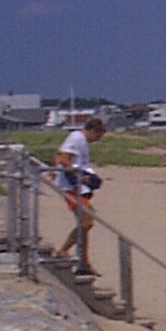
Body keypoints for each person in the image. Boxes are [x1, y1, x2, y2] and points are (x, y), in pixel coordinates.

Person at [52, 117, 106, 276]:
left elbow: (60, 156)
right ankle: (63, 251)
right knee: (87, 222)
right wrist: (79, 177)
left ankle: (84, 262)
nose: (96, 141)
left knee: (86, 221)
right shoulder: (76, 137)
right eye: (98, 137)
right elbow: (63, 157)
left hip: (77, 188)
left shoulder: (80, 140)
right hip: (71, 188)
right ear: (93, 131)